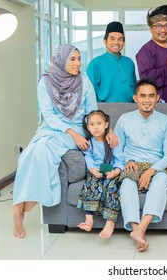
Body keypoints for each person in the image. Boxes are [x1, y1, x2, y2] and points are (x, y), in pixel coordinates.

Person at [12, 44, 118, 238]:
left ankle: (30, 201)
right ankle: (18, 206)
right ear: (61, 60)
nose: (78, 63)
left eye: (79, 59)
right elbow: (48, 115)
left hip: (77, 128)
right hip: (52, 128)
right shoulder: (45, 82)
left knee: (45, 148)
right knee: (27, 155)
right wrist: (71, 132)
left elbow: (93, 111)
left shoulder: (83, 80)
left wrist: (108, 129)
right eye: (73, 59)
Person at [114, 77, 167, 252]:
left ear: (157, 97)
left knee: (160, 183)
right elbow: (117, 148)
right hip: (132, 163)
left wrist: (151, 170)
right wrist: (127, 160)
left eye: (151, 96)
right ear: (135, 98)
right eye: (143, 96)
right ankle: (136, 231)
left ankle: (141, 229)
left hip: (157, 165)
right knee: (127, 184)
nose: (147, 100)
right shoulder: (124, 119)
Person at [77, 110, 125, 239]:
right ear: (88, 127)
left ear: (106, 124)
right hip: (96, 172)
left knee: (111, 187)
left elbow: (120, 160)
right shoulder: (89, 143)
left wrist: (115, 172)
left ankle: (110, 222)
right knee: (90, 184)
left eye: (99, 123)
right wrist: (92, 170)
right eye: (92, 124)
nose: (96, 127)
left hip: (112, 172)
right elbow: (88, 158)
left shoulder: (112, 141)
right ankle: (89, 219)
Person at [136, 5, 167, 103]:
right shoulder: (146, 50)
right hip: (157, 105)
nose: (163, 30)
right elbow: (146, 80)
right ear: (151, 28)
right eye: (158, 26)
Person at [87, 21, 136, 102]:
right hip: (105, 111)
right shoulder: (95, 64)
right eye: (112, 38)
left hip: (130, 110)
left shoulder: (129, 62)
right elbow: (90, 95)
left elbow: (135, 90)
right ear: (105, 41)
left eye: (120, 39)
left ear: (123, 42)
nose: (116, 42)